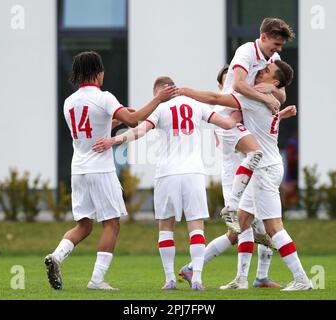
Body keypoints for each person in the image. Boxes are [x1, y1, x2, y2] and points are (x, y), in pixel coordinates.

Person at [93, 76, 241, 291]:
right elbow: (228, 123)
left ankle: (170, 279)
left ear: (159, 92)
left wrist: (113, 140)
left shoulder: (160, 108)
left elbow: (140, 131)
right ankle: (197, 279)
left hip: (167, 173)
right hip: (193, 172)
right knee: (196, 226)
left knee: (166, 228)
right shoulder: (196, 104)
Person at [44, 51, 177, 291]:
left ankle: (57, 255)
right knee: (111, 224)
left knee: (84, 226)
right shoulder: (104, 97)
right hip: (100, 169)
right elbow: (135, 119)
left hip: (79, 170)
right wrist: (158, 99)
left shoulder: (69, 102)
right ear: (97, 72)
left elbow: (87, 128)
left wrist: (110, 123)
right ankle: (96, 280)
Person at [178, 60, 313, 291]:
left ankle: (301, 279)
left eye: (266, 71)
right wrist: (276, 100)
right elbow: (263, 110)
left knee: (273, 227)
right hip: (263, 167)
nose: (260, 70)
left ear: (275, 81)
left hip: (262, 170)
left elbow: (214, 98)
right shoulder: (265, 97)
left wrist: (183, 91)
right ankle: (199, 269)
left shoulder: (253, 98)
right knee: (239, 227)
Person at [218, 18, 295, 229]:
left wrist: (270, 91)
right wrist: (265, 98)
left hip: (247, 117)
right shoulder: (246, 52)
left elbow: (282, 94)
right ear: (263, 37)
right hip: (230, 115)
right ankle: (232, 208)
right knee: (254, 156)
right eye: (275, 44)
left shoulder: (274, 58)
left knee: (255, 171)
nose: (278, 50)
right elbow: (239, 85)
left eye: (280, 46)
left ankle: (253, 222)